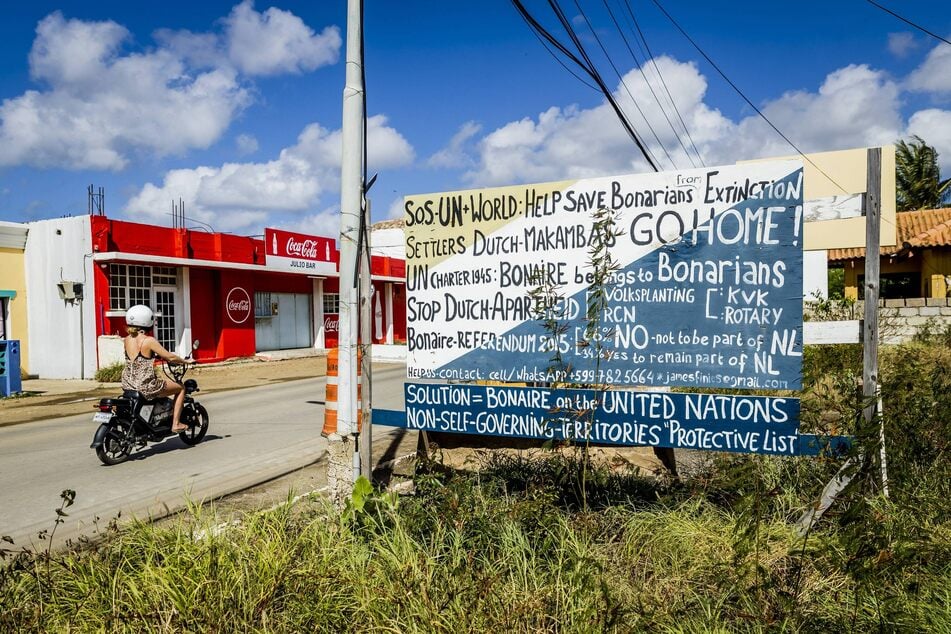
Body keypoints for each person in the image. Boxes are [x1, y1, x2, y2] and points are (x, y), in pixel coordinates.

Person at [121, 304, 189, 433]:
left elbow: (138, 358)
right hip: (145, 385)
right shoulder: (148, 340)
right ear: (148, 321)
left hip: (128, 384)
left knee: (161, 386)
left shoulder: (127, 339)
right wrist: (185, 361)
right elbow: (170, 357)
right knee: (180, 388)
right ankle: (176, 423)